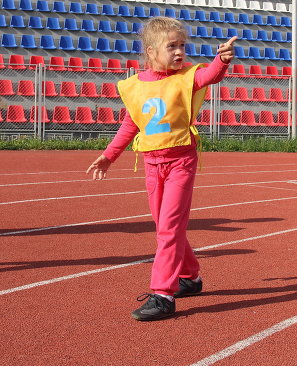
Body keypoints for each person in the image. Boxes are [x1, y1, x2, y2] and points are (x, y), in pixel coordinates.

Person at [86, 17, 237, 321]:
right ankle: (191, 277)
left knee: (168, 228)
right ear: (152, 51)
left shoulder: (186, 77)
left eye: (182, 45)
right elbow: (131, 124)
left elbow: (209, 76)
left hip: (181, 161)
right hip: (153, 165)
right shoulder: (135, 86)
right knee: (164, 226)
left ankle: (163, 294)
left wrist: (220, 60)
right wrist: (109, 155)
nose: (180, 52)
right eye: (172, 46)